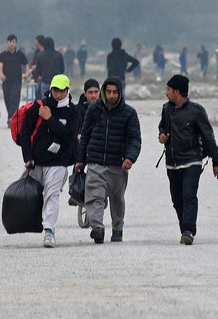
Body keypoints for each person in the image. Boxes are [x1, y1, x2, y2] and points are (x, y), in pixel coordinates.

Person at [158, 75, 218, 245]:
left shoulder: (196, 111)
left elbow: (209, 137)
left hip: (192, 161)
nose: (166, 93)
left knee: (189, 195)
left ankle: (188, 230)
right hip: (172, 163)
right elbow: (162, 127)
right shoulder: (166, 109)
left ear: (177, 92)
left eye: (168, 90)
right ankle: (184, 229)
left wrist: (216, 162)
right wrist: (162, 136)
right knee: (177, 200)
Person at [75, 77, 141, 243]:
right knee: (94, 195)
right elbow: (85, 136)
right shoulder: (94, 110)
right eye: (108, 92)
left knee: (117, 198)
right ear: (104, 92)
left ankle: (117, 228)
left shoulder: (129, 113)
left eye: (115, 92)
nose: (111, 95)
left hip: (118, 164)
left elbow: (135, 139)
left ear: (120, 93)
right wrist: (80, 160)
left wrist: (130, 158)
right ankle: (97, 228)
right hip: (96, 161)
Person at [18, 74, 80, 248]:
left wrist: (50, 119)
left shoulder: (73, 112)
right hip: (36, 162)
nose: (58, 94)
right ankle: (31, 223)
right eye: (55, 90)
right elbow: (25, 133)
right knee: (29, 196)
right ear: (50, 89)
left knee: (52, 195)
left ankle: (49, 231)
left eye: (61, 91)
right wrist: (27, 157)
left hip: (59, 162)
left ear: (67, 90)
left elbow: (69, 136)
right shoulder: (38, 107)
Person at [0, 34, 29, 127]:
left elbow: (26, 65)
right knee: (8, 100)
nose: (11, 44)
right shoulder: (3, 55)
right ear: (7, 43)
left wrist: (26, 73)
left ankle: (11, 118)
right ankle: (11, 118)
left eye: (13, 42)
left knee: (14, 99)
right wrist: (1, 74)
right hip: (6, 81)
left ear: (16, 43)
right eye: (10, 42)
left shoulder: (20, 55)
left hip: (17, 81)